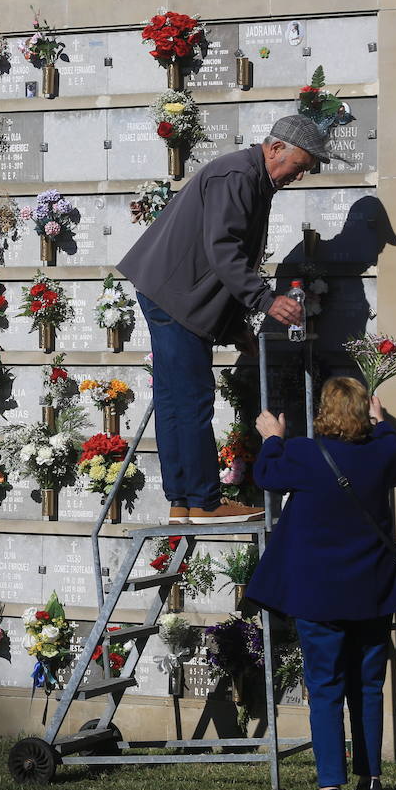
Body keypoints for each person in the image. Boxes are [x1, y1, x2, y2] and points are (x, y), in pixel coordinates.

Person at [117, 115, 327, 524]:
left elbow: (223, 259)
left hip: (174, 294)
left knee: (175, 401)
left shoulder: (253, 178)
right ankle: (203, 501)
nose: (298, 177)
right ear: (276, 148)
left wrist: (235, 328)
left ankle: (183, 501)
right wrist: (266, 301)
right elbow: (223, 250)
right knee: (192, 400)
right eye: (298, 166)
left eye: (305, 171)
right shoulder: (238, 176)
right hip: (178, 297)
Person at [245, 377, 396, 790]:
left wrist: (273, 437)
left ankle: (330, 787)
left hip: (318, 596)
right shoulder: (383, 452)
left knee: (325, 688)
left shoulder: (302, 453)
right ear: (363, 412)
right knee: (369, 685)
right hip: (372, 591)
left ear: (323, 411)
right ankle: (372, 780)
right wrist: (382, 421)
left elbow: (266, 474)